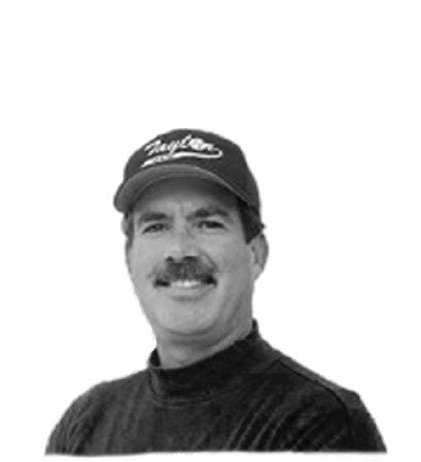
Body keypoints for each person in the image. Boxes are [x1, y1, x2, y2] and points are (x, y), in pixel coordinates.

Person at [46, 128, 386, 454]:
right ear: (128, 258)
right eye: (157, 226)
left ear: (256, 254)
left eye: (208, 224)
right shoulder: (86, 423)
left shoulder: (321, 423)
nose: (179, 250)